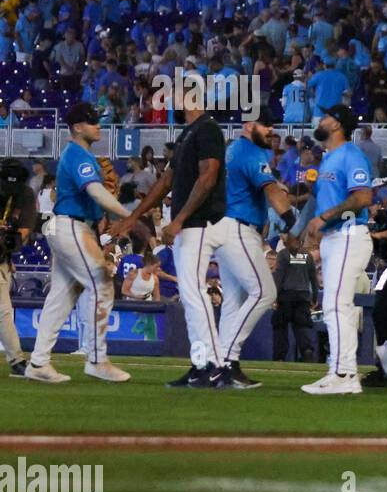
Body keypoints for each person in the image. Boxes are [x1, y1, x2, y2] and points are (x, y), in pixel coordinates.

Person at [111, 91, 227, 389]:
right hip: (189, 225)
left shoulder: (208, 128)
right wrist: (134, 216)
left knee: (194, 292)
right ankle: (202, 364)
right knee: (191, 295)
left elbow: (208, 178)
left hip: (200, 224)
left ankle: (213, 364)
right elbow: (165, 181)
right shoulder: (189, 132)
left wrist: (179, 219)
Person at [25, 104, 134, 384]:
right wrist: (130, 214)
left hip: (66, 225)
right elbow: (96, 192)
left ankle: (38, 362)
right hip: (69, 225)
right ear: (77, 127)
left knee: (60, 297)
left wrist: (104, 224)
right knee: (103, 283)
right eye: (92, 121)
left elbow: (95, 205)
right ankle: (97, 360)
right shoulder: (77, 153)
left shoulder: (84, 156)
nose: (98, 125)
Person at [215, 114, 299, 389]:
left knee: (233, 302)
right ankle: (229, 358)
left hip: (228, 226)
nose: (271, 130)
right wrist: (290, 220)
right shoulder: (249, 151)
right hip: (239, 228)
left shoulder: (233, 150)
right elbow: (272, 191)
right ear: (249, 126)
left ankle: (219, 365)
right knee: (264, 292)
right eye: (265, 125)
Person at [301, 107, 375, 395]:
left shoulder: (351, 154)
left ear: (338, 124)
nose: (321, 120)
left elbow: (363, 196)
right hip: (335, 237)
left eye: (326, 116)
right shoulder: (328, 158)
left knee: (335, 304)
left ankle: (344, 373)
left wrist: (325, 216)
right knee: (334, 305)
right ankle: (340, 371)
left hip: (349, 233)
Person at [0, 157, 38, 376]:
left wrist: (8, 252)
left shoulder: (24, 195)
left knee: (4, 312)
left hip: (1, 259)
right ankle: (16, 360)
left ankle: (16, 359)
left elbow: (21, 235)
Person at [272, 241, 317, 361]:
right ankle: (307, 353)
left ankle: (280, 357)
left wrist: (274, 297)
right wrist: (314, 298)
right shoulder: (307, 255)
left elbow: (279, 277)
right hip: (303, 296)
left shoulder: (283, 254)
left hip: (285, 296)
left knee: (280, 326)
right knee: (302, 327)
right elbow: (313, 277)